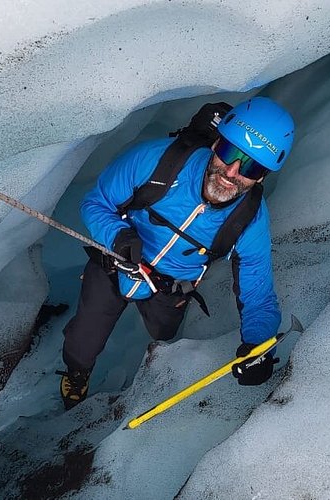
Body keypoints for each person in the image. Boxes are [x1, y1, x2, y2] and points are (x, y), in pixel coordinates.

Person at [58, 97, 294, 409]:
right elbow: (96, 202)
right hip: (117, 263)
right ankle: (77, 371)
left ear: (261, 176)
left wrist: (258, 346)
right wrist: (118, 236)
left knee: (163, 333)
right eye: (229, 152)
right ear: (215, 144)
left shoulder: (248, 221)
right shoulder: (156, 162)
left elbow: (258, 296)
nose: (231, 171)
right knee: (82, 340)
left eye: (249, 166)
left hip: (172, 287)